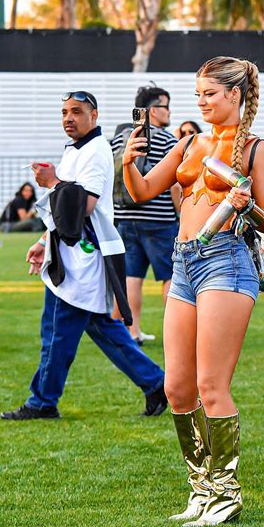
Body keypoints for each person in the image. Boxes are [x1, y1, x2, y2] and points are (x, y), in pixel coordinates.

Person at [122, 56, 264, 525]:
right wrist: (127, 164)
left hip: (227, 263)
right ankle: (201, 490)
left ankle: (226, 494)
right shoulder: (189, 142)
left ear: (234, 94)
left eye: (210, 93)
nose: (202, 101)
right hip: (184, 262)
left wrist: (246, 206)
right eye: (199, 94)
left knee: (212, 387)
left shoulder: (256, 149)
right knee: (177, 387)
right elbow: (143, 190)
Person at [1, 90, 167, 421]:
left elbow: (85, 205)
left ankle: (42, 401)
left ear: (94, 115)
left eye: (76, 111)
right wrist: (44, 239)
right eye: (64, 112)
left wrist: (52, 181)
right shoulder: (76, 150)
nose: (68, 118)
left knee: (57, 334)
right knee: (102, 329)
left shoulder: (96, 151)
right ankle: (156, 384)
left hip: (82, 261)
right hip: (73, 256)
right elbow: (66, 211)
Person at [111, 84, 178, 346]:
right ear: (152, 110)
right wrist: (179, 214)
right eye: (165, 106)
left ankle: (132, 331)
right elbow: (173, 183)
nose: (169, 111)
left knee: (131, 277)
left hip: (125, 217)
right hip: (159, 219)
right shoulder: (166, 139)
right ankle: (176, 333)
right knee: (170, 276)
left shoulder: (121, 137)